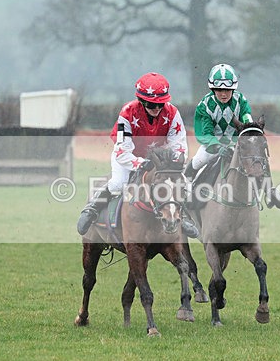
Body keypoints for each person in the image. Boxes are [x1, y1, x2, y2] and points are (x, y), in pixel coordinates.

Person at [76, 72, 199, 237]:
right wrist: (139, 163)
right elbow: (122, 150)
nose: (157, 109)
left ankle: (180, 217)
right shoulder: (127, 112)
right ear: (141, 100)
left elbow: (179, 145)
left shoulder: (172, 113)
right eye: (151, 104)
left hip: (159, 162)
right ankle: (92, 209)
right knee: (118, 183)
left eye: (160, 104)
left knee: (184, 185)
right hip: (128, 157)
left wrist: (173, 164)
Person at [185, 63, 280, 209]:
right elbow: (205, 133)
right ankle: (185, 192)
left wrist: (250, 133)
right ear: (213, 89)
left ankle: (271, 191)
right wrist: (217, 146)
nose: (223, 94)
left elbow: (247, 121)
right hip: (212, 145)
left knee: (258, 157)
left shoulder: (240, 100)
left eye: (227, 90)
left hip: (236, 143)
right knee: (197, 161)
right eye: (219, 90)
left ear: (233, 89)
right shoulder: (205, 105)